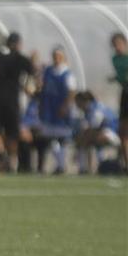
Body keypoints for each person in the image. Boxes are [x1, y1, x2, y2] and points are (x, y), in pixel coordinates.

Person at [0, 32, 35, 172]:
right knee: (12, 132)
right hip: (12, 101)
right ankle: (12, 160)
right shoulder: (20, 58)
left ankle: (2, 155)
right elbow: (32, 70)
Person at [37, 46, 77, 174]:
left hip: (60, 110)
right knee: (50, 138)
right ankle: (60, 165)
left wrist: (65, 106)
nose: (56, 59)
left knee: (61, 138)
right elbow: (42, 87)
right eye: (55, 56)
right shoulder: (48, 71)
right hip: (49, 109)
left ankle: (61, 165)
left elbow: (71, 92)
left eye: (59, 56)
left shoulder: (67, 73)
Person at [75, 91, 120, 174]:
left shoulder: (96, 109)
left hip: (113, 133)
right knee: (85, 139)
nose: (77, 105)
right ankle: (86, 167)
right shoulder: (88, 110)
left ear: (84, 101)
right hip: (103, 132)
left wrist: (83, 139)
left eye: (78, 102)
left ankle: (98, 165)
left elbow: (94, 128)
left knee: (88, 139)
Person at [110, 33, 128, 170]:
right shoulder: (115, 59)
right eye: (115, 45)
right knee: (122, 131)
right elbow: (122, 76)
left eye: (119, 44)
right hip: (125, 94)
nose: (117, 47)